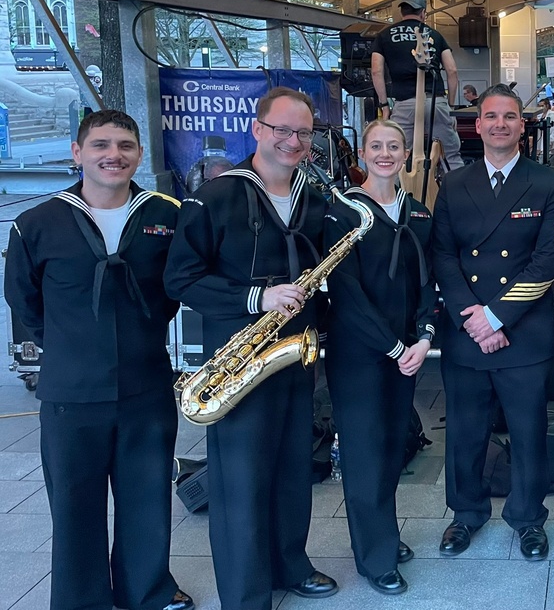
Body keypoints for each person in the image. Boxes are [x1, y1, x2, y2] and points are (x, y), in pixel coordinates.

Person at [4, 109, 193, 610]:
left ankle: (147, 591)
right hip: (72, 393)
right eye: (101, 145)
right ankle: (81, 599)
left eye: (126, 145)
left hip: (146, 384)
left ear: (138, 154)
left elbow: (176, 288)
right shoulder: (37, 223)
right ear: (77, 153)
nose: (114, 155)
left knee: (147, 498)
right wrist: (73, 345)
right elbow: (24, 302)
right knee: (74, 505)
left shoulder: (165, 217)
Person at [164, 87, 337, 610]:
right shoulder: (216, 195)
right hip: (239, 357)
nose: (292, 141)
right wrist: (255, 296)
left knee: (293, 466)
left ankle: (291, 563)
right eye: (282, 129)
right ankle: (245, 591)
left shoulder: (314, 194)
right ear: (257, 129)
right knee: (240, 478)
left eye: (303, 133)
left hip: (292, 353)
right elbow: (180, 278)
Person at [432, 84, 554, 562]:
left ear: (522, 126)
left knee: (528, 432)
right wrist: (473, 317)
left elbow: (548, 260)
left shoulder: (550, 182)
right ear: (476, 124)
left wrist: (495, 316)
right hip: (466, 327)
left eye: (509, 117)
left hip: (523, 330)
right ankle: (465, 513)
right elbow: (444, 256)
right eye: (490, 116)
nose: (499, 125)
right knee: (465, 431)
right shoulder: (453, 183)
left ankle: (529, 518)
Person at [322, 119, 436, 596]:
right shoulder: (342, 211)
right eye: (376, 146)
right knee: (365, 454)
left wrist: (424, 338)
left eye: (394, 146)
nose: (385, 154)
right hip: (360, 355)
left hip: (407, 353)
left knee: (393, 449)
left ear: (406, 154)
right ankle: (374, 558)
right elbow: (344, 292)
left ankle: (382, 534)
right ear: (362, 154)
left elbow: (428, 282)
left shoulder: (418, 213)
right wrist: (393, 347)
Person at [371, 0, 464, 172]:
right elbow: (452, 71)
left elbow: (376, 71)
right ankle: (459, 197)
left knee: (396, 156)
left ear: (402, 12)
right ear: (423, 13)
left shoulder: (384, 36)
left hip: (404, 104)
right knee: (450, 156)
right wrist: (450, 107)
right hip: (435, 102)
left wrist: (384, 106)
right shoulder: (435, 35)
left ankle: (396, 197)